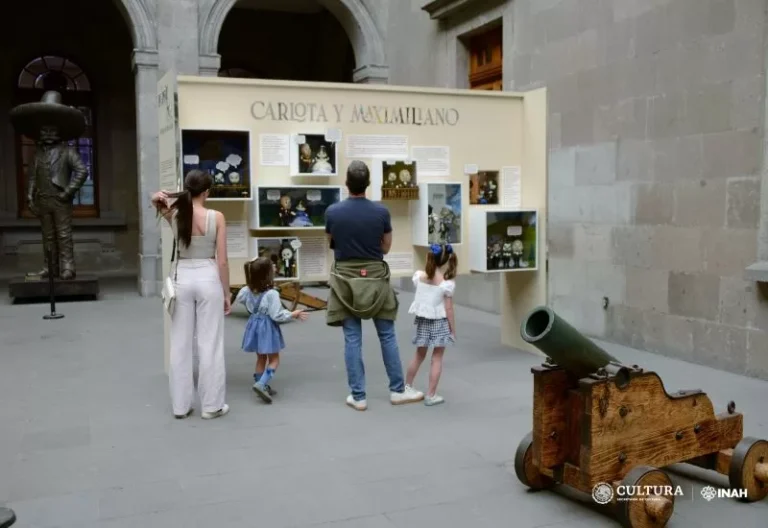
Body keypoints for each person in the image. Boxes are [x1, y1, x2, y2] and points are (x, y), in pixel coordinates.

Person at [325, 160, 424, 411]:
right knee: (387, 335)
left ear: (347, 183)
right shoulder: (381, 212)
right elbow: (386, 247)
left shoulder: (333, 212)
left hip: (345, 279)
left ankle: (358, 396)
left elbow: (331, 242)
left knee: (352, 339)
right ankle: (397, 390)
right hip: (376, 277)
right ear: (368, 184)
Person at [151, 170, 231, 420]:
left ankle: (181, 406)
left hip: (182, 276)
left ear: (186, 189)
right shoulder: (217, 217)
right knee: (210, 342)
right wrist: (227, 292)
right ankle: (211, 405)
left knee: (180, 342)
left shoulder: (176, 214)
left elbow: (155, 200)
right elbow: (223, 261)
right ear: (206, 192)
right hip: (208, 276)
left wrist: (161, 195)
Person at [235, 257, 307, 403]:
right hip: (267, 328)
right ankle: (261, 384)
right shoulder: (272, 294)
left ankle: (261, 384)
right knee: (274, 359)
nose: (274, 267)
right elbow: (277, 315)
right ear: (267, 274)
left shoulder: (247, 290)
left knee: (261, 357)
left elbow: (240, 298)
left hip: (254, 326)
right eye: (272, 267)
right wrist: (293, 314)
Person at [404, 243, 457, 406]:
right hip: (440, 322)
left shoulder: (419, 276)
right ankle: (431, 395)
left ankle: (407, 386)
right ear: (446, 260)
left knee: (419, 355)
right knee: (437, 358)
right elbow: (448, 309)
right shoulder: (446, 283)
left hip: (423, 321)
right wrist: (452, 329)